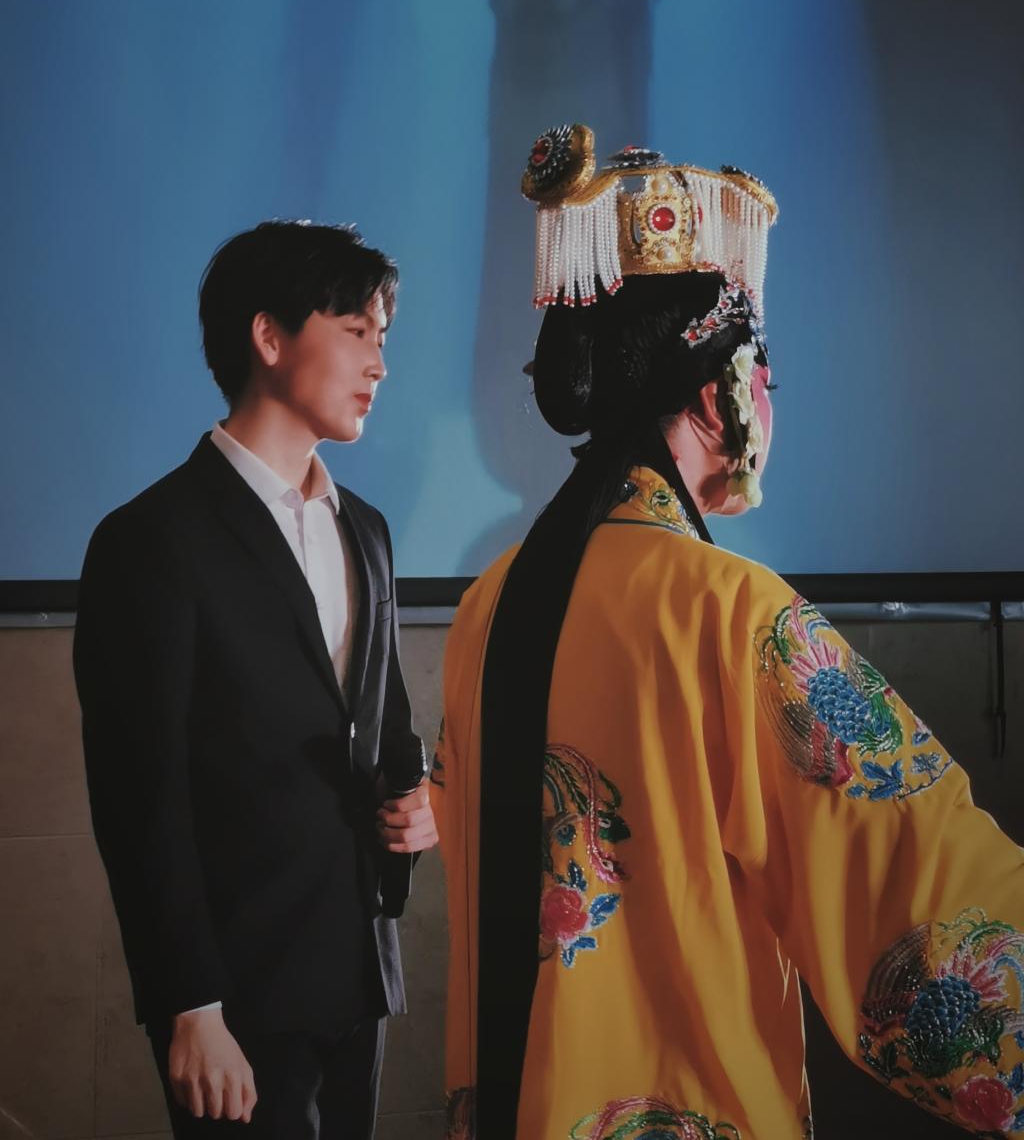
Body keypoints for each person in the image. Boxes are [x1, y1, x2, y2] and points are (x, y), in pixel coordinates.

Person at [430, 124, 1024, 1139]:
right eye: (766, 386)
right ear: (725, 394)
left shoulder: (489, 603)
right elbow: (913, 890)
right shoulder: (731, 611)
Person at [74, 220, 437, 1139]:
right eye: (356, 332)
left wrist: (419, 805)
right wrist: (189, 1005)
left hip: (360, 970)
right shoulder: (150, 539)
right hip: (236, 995)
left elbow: (386, 727)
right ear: (269, 337)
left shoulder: (366, 529)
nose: (379, 363)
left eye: (382, 336)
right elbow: (139, 798)